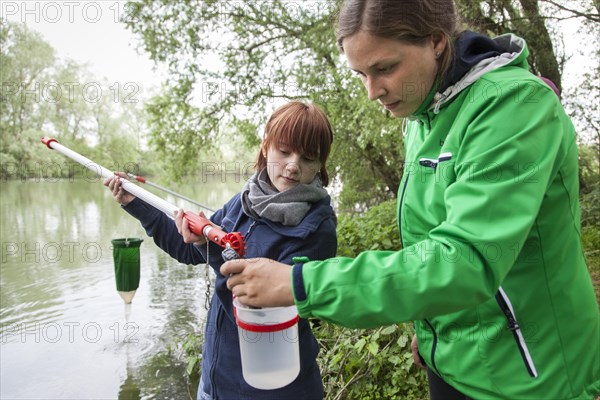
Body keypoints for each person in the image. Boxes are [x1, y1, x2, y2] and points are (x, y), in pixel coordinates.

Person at [221, 1, 600, 399]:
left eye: (384, 68)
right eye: (360, 74)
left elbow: (466, 259)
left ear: (436, 41)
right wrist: (431, 328)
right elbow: (429, 242)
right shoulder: (421, 119)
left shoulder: (514, 106)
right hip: (452, 362)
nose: (372, 92)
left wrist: (300, 283)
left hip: (532, 376)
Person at [104, 101, 337, 399]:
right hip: (215, 382)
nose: (293, 165)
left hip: (276, 389)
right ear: (266, 147)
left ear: (320, 164)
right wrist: (134, 202)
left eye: (307, 158)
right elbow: (188, 250)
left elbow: (262, 307)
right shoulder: (243, 202)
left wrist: (214, 248)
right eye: (284, 151)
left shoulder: (317, 228)